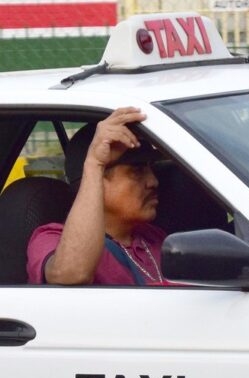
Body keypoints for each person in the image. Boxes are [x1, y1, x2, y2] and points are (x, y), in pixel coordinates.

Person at [26, 107, 167, 285]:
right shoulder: (50, 238)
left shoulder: (152, 236)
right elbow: (70, 274)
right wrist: (95, 163)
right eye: (137, 171)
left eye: (151, 168)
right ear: (95, 180)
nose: (153, 181)